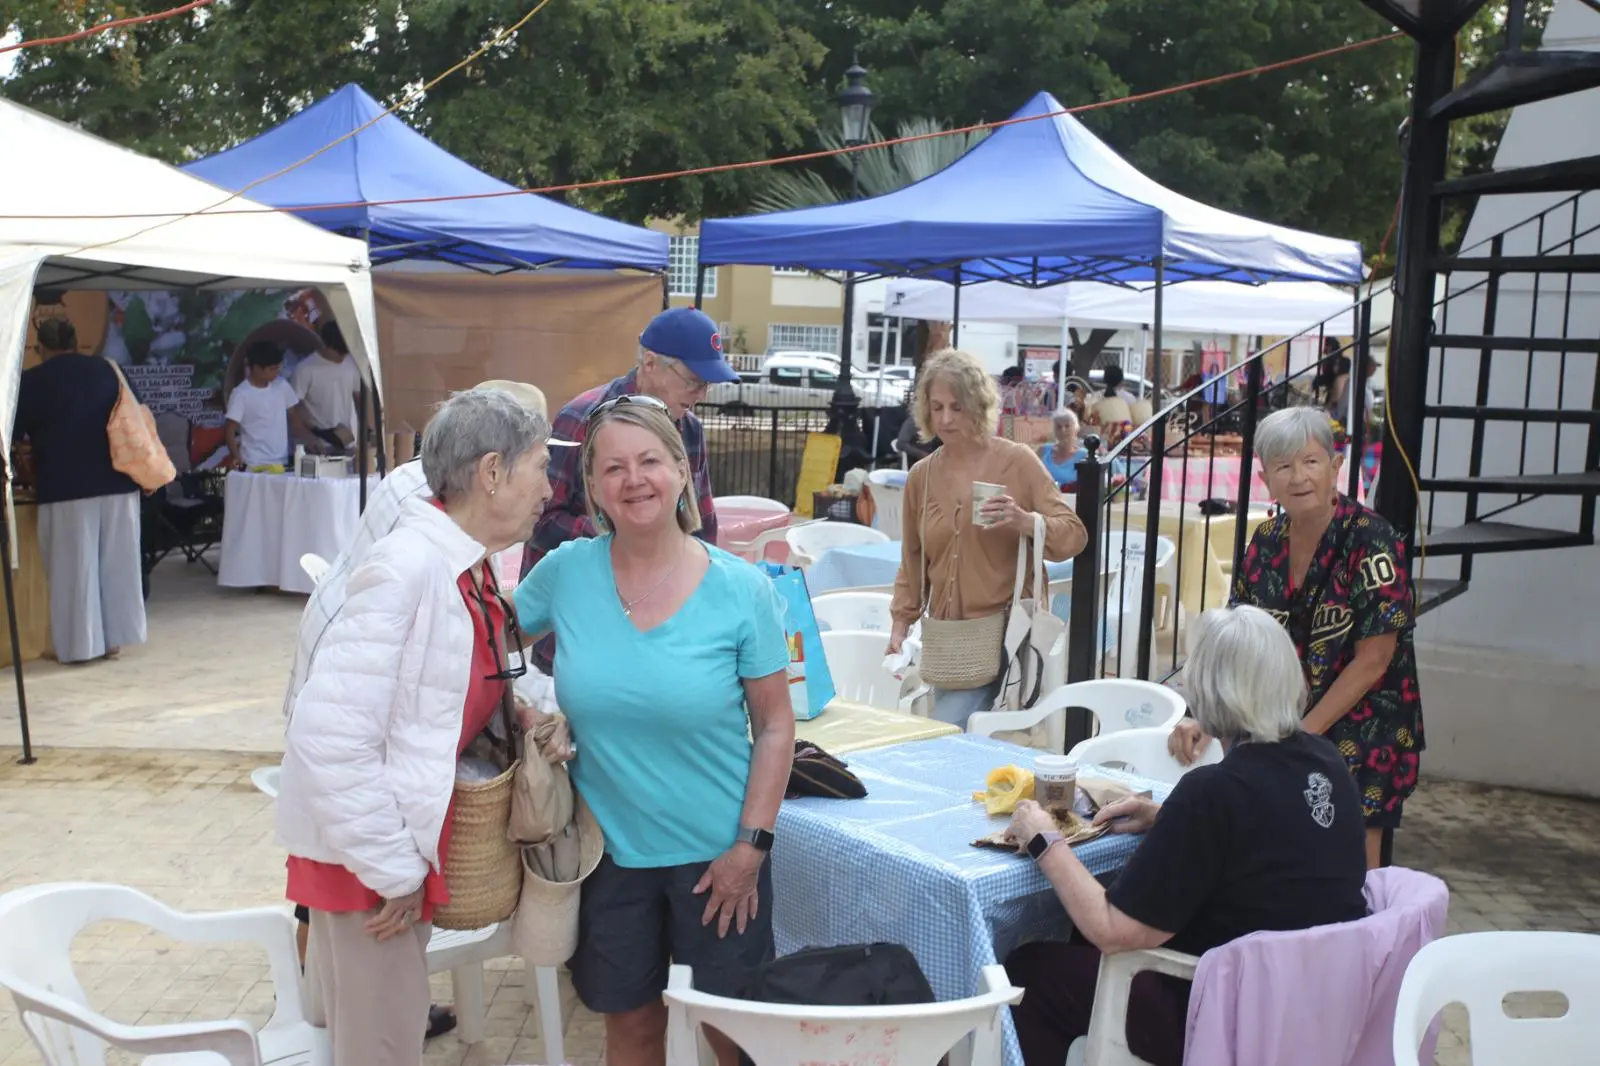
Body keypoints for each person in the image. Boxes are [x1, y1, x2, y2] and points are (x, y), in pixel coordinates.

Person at [276, 387, 571, 1066]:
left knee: (386, 1035)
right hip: (367, 866)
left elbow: (435, 697)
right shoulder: (410, 567)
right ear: (491, 472)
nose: (548, 489)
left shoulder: (459, 564)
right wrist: (393, 870)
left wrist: (519, 714)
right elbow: (329, 738)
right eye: (537, 467)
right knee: (382, 1047)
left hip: (380, 853)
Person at [514, 397, 793, 1066]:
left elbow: (777, 725)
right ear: (593, 490)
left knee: (730, 1036)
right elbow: (483, 651)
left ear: (681, 471)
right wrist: (522, 714)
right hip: (606, 854)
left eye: (648, 461)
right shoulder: (567, 572)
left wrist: (750, 848)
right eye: (613, 468)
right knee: (632, 1031)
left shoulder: (740, 588)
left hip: (720, 859)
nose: (633, 480)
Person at [1005, 605, 1369, 1066]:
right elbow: (1274, 832)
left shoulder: (1213, 792)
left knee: (1029, 970)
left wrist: (1042, 839)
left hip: (1219, 1013)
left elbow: (1112, 931)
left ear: (1211, 690)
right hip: (1314, 1006)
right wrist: (1166, 816)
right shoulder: (1326, 761)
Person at [1171, 406, 1425, 868]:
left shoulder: (1372, 539)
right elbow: (1236, 639)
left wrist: (1300, 736)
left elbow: (1374, 660)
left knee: (1350, 872)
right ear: (1266, 478)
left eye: (1310, 461)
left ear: (1335, 467)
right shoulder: (1265, 541)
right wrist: (1204, 717)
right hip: (1281, 727)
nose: (1299, 476)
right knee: (1279, 860)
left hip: (1363, 725)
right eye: (1283, 466)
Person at [520, 306, 735, 672]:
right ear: (650, 363)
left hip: (663, 632)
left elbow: (702, 524)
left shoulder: (690, 429)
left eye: (708, 383)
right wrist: (631, 538)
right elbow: (541, 521)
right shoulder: (581, 419)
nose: (702, 393)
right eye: (693, 379)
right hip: (578, 632)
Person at [886, 348, 1086, 727]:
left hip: (1003, 638)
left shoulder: (1017, 462)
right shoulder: (922, 477)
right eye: (938, 406)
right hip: (948, 642)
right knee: (959, 747)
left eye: (957, 407)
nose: (945, 418)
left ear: (978, 405)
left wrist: (1025, 521)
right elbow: (912, 561)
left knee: (942, 734)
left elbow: (1073, 535)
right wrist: (900, 623)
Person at [12, 318, 145, 664]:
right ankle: (115, 638)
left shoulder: (32, 381)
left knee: (74, 569)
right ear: (77, 342)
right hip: (118, 480)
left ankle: (79, 646)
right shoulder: (109, 370)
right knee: (116, 564)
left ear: (40, 346)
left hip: (65, 485)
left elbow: (13, 436)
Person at [225, 342, 320, 471]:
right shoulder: (241, 394)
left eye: (278, 368)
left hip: (281, 463)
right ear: (257, 368)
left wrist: (311, 439)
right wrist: (236, 456)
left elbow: (295, 419)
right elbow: (230, 430)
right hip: (254, 464)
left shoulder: (282, 386)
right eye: (272, 369)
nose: (277, 372)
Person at [292, 320, 364, 455]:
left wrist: (367, 433)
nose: (342, 358)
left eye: (345, 353)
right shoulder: (305, 369)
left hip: (346, 442)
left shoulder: (351, 365)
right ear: (325, 344)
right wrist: (308, 437)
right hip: (317, 445)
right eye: (338, 352)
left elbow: (359, 401)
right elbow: (293, 410)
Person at [1038, 408, 1087, 490]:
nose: (1063, 430)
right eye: (1058, 427)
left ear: (1076, 429)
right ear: (1054, 431)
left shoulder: (1084, 455)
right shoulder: (1043, 451)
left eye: (1067, 426)